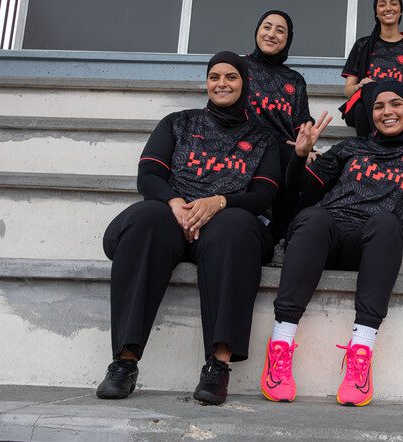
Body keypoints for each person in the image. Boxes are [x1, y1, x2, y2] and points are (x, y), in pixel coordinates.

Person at [97, 51, 281, 405]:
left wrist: (219, 201)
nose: (221, 84)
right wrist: (174, 204)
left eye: (231, 77)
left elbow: (263, 194)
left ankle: (217, 367)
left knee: (236, 226)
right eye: (215, 77)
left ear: (245, 83)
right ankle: (124, 364)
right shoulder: (177, 122)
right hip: (173, 217)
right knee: (146, 217)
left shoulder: (262, 137)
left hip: (226, 224)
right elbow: (149, 175)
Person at [259, 82, 403, 407]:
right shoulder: (351, 147)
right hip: (325, 238)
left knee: (387, 223)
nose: (387, 111)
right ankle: (280, 346)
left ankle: (361, 352)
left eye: (395, 103)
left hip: (370, 245)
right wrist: (300, 157)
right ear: (370, 114)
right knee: (314, 216)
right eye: (378, 106)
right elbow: (302, 189)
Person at [243, 10, 314, 255]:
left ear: (288, 39)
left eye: (280, 30)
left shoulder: (294, 80)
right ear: (257, 31)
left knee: (310, 163)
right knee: (286, 155)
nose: (271, 34)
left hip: (286, 147)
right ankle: (274, 237)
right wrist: (283, 142)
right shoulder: (239, 67)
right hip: (244, 144)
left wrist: (307, 144)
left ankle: (289, 237)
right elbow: (235, 116)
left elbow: (301, 121)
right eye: (267, 27)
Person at [340, 0, 403, 137]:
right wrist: (360, 86)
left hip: (400, 110)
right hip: (361, 106)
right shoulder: (363, 45)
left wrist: (390, 98)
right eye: (382, 5)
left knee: (363, 110)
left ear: (400, 12)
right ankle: (385, 144)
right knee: (369, 89)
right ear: (376, 13)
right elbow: (348, 91)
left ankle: (371, 152)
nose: (388, 8)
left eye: (393, 4)